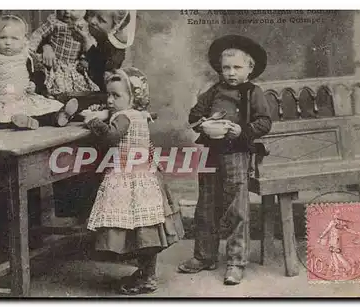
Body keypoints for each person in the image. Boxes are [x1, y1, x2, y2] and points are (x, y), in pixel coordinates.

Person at [178, 35, 272, 285]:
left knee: (236, 209)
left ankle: (236, 261)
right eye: (226, 67)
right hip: (211, 153)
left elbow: (264, 122)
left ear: (250, 68)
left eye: (237, 67)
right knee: (206, 206)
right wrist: (203, 124)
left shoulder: (253, 92)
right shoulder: (214, 91)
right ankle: (204, 256)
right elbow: (194, 116)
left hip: (236, 154)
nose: (230, 73)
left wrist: (243, 131)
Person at [81, 67, 184, 295]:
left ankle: (147, 277)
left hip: (131, 178)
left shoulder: (124, 117)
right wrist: (107, 114)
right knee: (144, 230)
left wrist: (92, 121)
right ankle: (145, 272)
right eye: (108, 95)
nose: (109, 100)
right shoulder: (139, 114)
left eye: (116, 96)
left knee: (140, 230)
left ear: (132, 97)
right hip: (145, 174)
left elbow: (111, 136)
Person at [46, 10, 137, 221]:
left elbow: (102, 75)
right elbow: (53, 38)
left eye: (101, 20)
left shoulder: (115, 50)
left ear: (114, 28)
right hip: (75, 98)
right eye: (92, 15)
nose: (93, 21)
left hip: (102, 105)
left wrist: (87, 41)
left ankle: (92, 220)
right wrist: (48, 46)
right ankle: (75, 217)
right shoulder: (76, 27)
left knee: (91, 165)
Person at [0, 14, 79, 130]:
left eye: (14, 38)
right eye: (3, 37)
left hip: (22, 98)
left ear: (24, 40)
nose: (8, 42)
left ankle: (57, 117)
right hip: (0, 99)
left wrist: (35, 84)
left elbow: (39, 72)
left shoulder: (27, 57)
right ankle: (21, 122)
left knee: (40, 109)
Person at [27, 10, 100, 96]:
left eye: (73, 9)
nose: (67, 11)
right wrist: (30, 48)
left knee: (79, 86)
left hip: (74, 65)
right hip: (56, 61)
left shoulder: (86, 26)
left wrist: (84, 57)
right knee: (51, 82)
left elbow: (90, 44)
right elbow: (39, 33)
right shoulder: (55, 22)